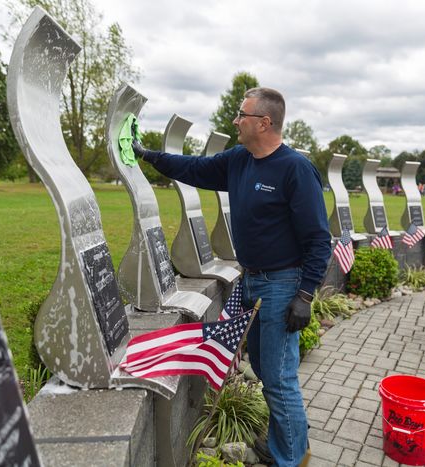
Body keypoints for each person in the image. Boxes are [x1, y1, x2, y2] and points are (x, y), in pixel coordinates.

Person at [132, 87, 331, 466]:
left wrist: (305, 296)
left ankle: (291, 458)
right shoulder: (241, 160)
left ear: (264, 122)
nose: (236, 121)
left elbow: (319, 239)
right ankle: (286, 444)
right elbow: (193, 168)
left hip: (283, 285)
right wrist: (150, 156)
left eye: (242, 114)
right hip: (252, 281)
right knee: (262, 365)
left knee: (278, 376)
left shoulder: (295, 169)